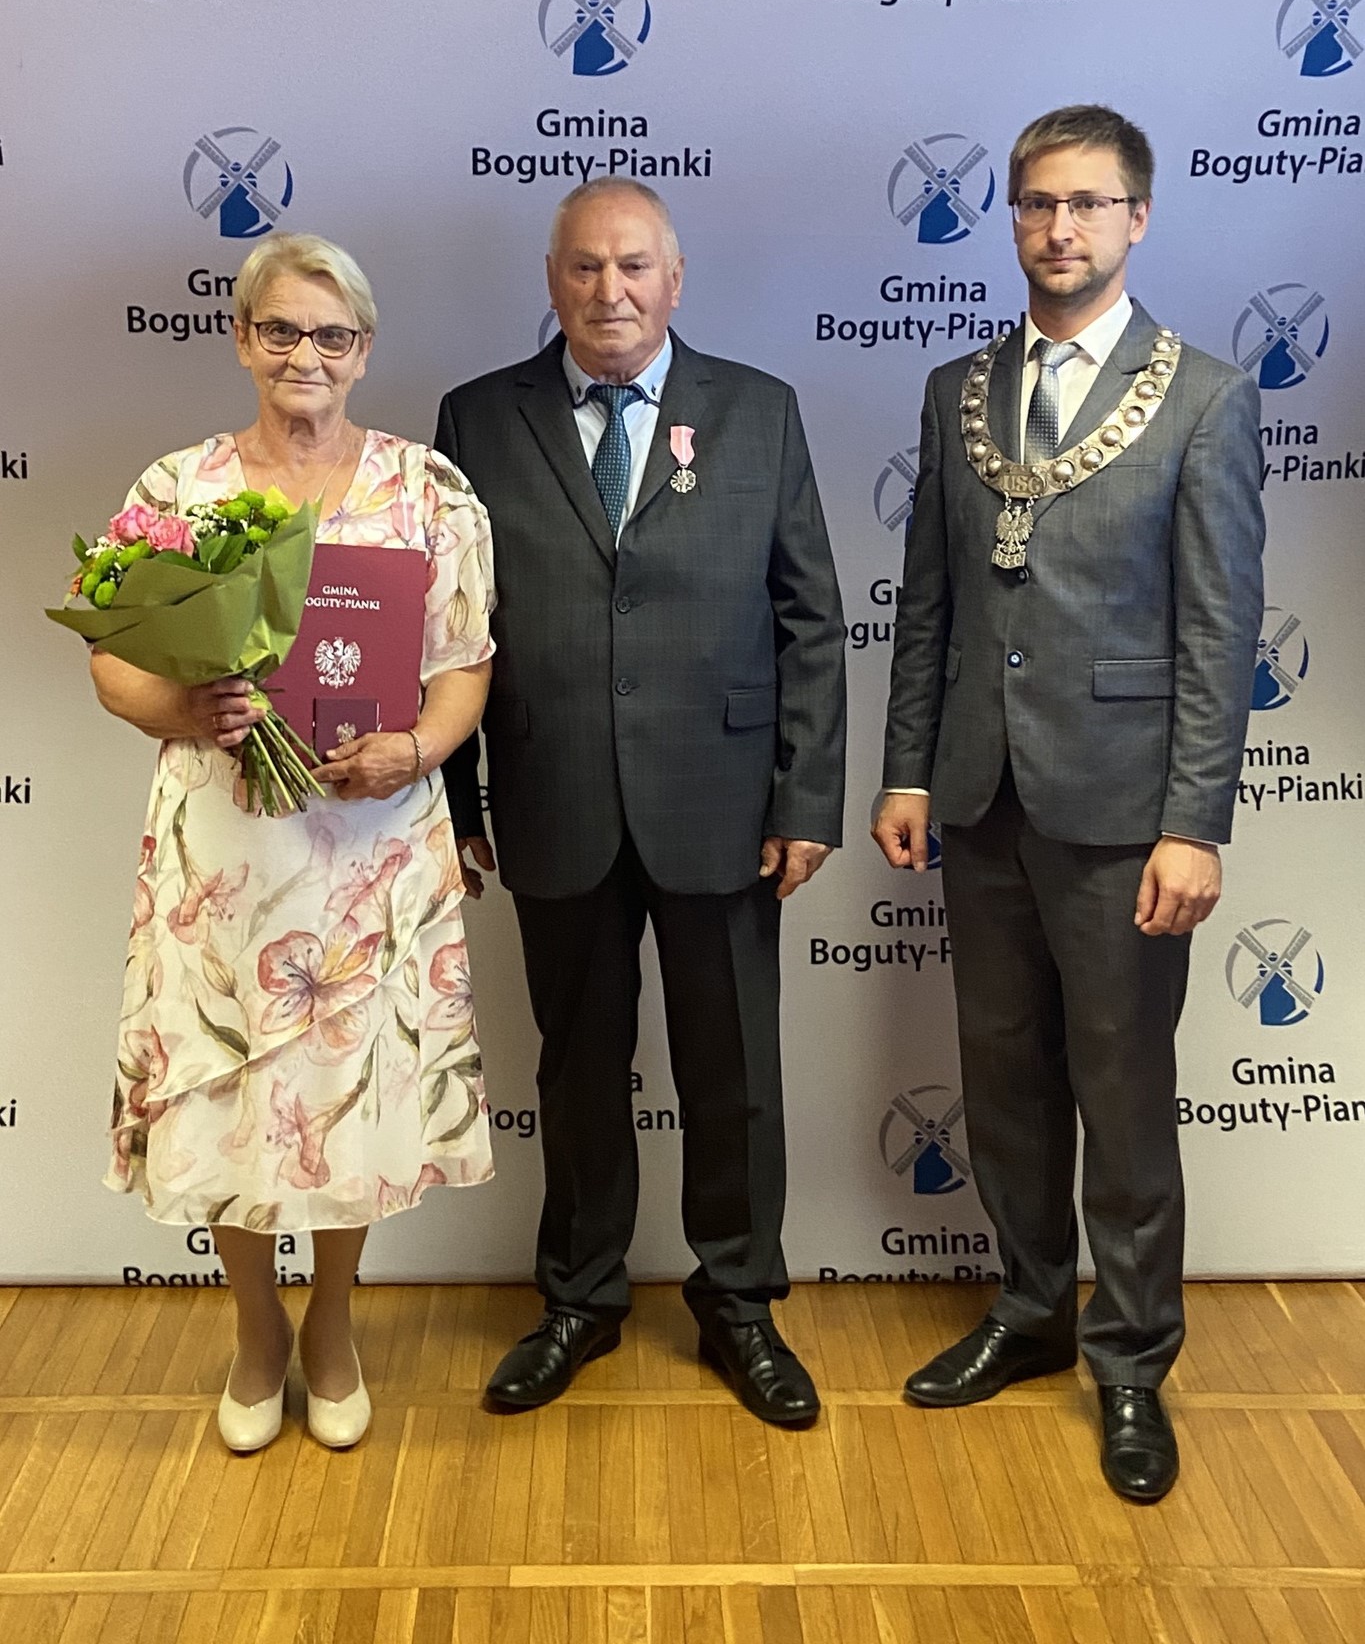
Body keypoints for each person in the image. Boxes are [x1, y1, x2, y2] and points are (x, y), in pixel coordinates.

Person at [873, 106, 1264, 1502]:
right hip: (980, 797)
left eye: (1088, 203)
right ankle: (1032, 1311)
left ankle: (1133, 1361)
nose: (1059, 228)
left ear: (1136, 218)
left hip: (1123, 813)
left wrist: (1195, 823)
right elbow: (928, 601)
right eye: (1038, 203)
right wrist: (908, 766)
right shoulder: (956, 390)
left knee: (1124, 1089)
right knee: (1005, 1080)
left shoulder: (1204, 397)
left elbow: (1220, 630)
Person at [435, 179, 846, 1427]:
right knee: (575, 1069)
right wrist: (455, 799)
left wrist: (807, 797)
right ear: (551, 279)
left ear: (674, 279)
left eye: (632, 267)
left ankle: (740, 1303)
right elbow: (449, 625)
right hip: (552, 796)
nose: (608, 290)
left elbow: (810, 618)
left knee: (736, 1072)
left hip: (724, 805)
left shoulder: (759, 410)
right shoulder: (477, 417)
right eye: (584, 267)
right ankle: (579, 1298)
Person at [92, 233, 496, 1453]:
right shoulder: (178, 491)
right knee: (230, 1087)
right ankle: (255, 1324)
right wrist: (186, 707)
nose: (305, 354)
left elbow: (465, 664)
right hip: (225, 856)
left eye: (331, 334)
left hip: (371, 851)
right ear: (242, 339)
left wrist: (416, 748)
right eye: (280, 329)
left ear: (363, 350)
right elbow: (112, 662)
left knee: (341, 1091)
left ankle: (331, 1320)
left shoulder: (429, 489)